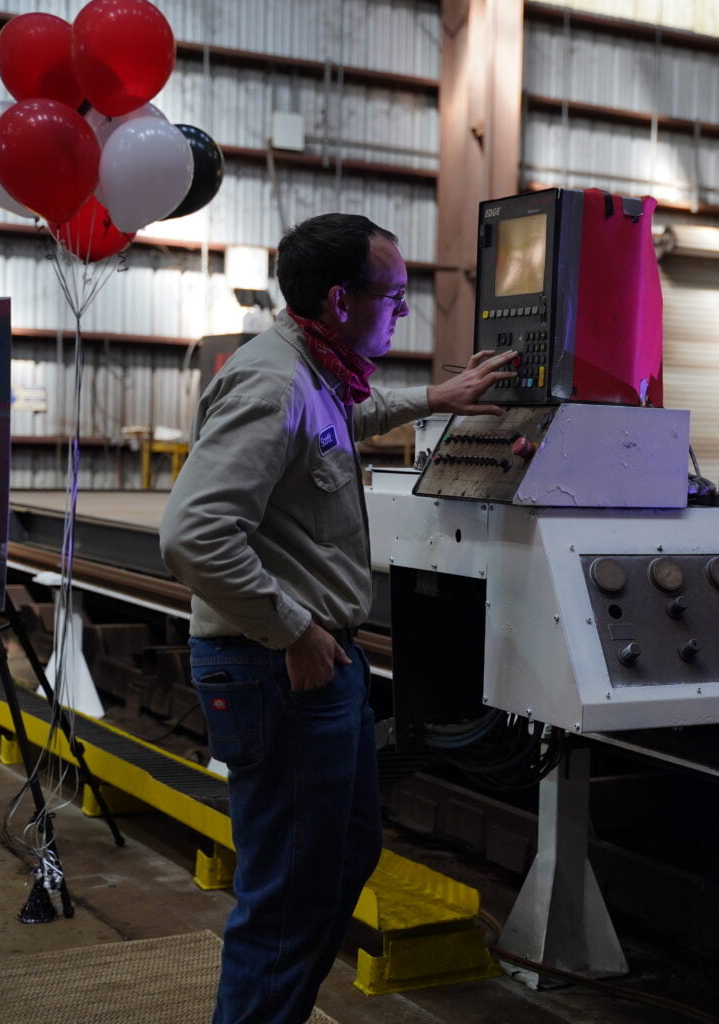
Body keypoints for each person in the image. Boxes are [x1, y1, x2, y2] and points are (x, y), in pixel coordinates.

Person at [159, 213, 518, 1024]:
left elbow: (333, 426)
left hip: (309, 669)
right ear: (337, 298)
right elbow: (193, 534)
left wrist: (433, 397)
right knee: (288, 900)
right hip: (280, 667)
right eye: (391, 296)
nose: (401, 312)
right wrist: (296, 628)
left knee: (336, 863)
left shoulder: (314, 374)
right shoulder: (274, 381)